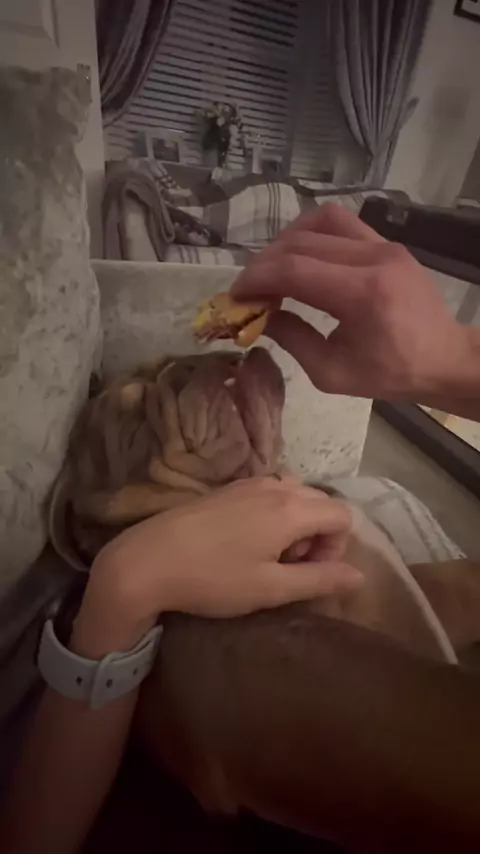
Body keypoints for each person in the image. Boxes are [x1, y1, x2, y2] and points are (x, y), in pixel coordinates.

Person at [2, 203, 480, 853]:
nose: (184, 374)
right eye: (138, 423)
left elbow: (408, 611)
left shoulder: (288, 518)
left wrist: (453, 363)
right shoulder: (204, 645)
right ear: (94, 526)